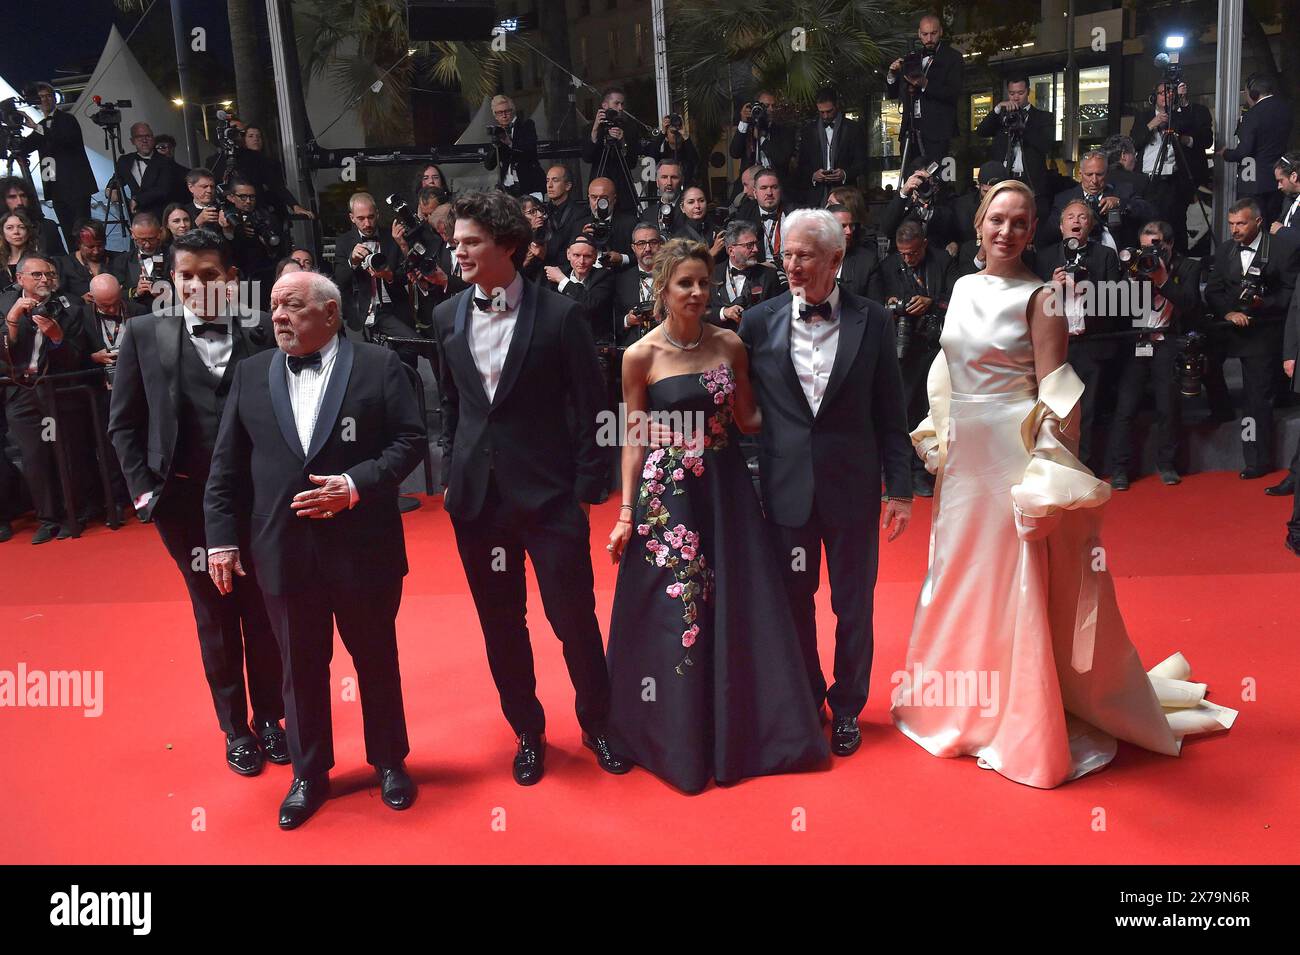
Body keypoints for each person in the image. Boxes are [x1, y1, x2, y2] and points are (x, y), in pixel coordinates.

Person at [894, 178, 1235, 788]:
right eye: (997, 219)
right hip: (965, 456)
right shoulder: (963, 286)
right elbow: (948, 363)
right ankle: (956, 702)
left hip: (1011, 453)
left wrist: (1046, 478)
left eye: (1019, 222)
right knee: (957, 571)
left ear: (1033, 231)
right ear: (978, 224)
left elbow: (1059, 397)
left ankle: (1019, 715)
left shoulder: (1042, 298)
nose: (1006, 231)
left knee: (1013, 575)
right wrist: (939, 431)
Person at [605, 238, 829, 793]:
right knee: (675, 614)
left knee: (738, 602)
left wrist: (809, 413)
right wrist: (626, 513)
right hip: (669, 502)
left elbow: (749, 418)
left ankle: (741, 730)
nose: (697, 293)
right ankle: (674, 737)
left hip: (726, 492)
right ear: (662, 288)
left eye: (704, 283)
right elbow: (633, 437)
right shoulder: (639, 355)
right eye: (685, 283)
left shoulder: (730, 344)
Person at [204, 270, 424, 829]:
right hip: (281, 549)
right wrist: (221, 539)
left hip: (363, 546)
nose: (278, 316)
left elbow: (410, 441)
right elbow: (226, 465)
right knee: (297, 668)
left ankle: (389, 761)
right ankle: (309, 772)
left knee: (375, 658)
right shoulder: (251, 373)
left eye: (293, 306)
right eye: (274, 305)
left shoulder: (378, 364)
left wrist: (354, 485)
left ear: (329, 312)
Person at [432, 190, 625, 786]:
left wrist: (587, 489)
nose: (458, 251)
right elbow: (450, 405)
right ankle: (527, 730)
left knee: (573, 618)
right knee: (501, 624)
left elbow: (594, 408)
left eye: (471, 242)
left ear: (508, 245)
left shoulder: (561, 315)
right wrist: (451, 471)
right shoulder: (446, 315)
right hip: (478, 502)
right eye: (456, 241)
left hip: (549, 499)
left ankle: (598, 722)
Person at [107, 227, 286, 777]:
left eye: (210, 275)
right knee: (214, 611)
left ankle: (271, 718)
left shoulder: (262, 329)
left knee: (264, 610)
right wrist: (146, 495)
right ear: (172, 279)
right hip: (182, 503)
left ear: (231, 279)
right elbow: (123, 424)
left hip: (256, 499)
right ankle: (236, 729)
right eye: (186, 276)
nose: (197, 286)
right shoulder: (145, 332)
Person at [739, 209, 915, 756]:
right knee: (794, 601)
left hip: (852, 489)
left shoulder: (873, 320)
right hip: (784, 487)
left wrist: (900, 489)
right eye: (787, 254)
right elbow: (740, 407)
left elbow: (891, 411)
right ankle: (807, 695)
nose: (792, 264)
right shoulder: (758, 321)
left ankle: (848, 707)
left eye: (805, 255)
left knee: (853, 605)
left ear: (836, 259)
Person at [1203, 197, 1300, 479]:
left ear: (1258, 222)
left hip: (1263, 332)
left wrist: (1262, 303)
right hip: (1228, 328)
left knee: (1257, 400)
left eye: (1241, 224)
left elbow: (1291, 294)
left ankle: (1257, 460)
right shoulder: (1225, 250)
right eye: (1231, 224)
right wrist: (1229, 312)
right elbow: (1213, 291)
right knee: (1203, 363)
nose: (1234, 229)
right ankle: (1220, 410)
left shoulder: (1282, 249)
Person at [1105, 221, 1201, 490]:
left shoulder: (1188, 267)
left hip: (1167, 341)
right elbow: (1115, 305)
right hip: (1136, 342)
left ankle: (1167, 464)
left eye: (1156, 246)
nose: (1150, 253)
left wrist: (1163, 281)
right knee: (1125, 408)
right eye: (1145, 247)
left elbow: (1191, 304)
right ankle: (1120, 469)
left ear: (1169, 244)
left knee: (1167, 407)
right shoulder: (1134, 266)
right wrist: (1132, 280)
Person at [1, 254, 86, 543]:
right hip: (20, 392)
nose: (44, 279)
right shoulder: (4, 304)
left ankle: (74, 514)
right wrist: (12, 321)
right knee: (33, 456)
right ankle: (48, 519)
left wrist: (57, 337)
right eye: (36, 275)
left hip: (56, 390)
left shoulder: (70, 306)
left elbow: (78, 358)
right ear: (20, 279)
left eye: (48, 274)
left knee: (65, 453)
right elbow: (4, 356)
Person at [869, 219, 956, 497]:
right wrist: (893, 306)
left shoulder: (942, 261)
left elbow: (956, 296)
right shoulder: (888, 266)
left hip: (935, 345)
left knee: (928, 410)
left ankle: (921, 472)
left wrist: (932, 302)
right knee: (901, 412)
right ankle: (898, 473)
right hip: (901, 347)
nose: (907, 259)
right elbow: (877, 303)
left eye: (913, 253)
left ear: (925, 245)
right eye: (903, 253)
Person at [1035, 200, 1123, 471]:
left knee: (1088, 408)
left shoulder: (1105, 256)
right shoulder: (1044, 257)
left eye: (1083, 217)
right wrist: (1051, 286)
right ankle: (1053, 465)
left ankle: (1082, 466)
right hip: (1055, 345)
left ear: (1091, 225)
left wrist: (1087, 289)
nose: (1076, 221)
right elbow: (1030, 301)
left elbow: (1116, 302)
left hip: (1090, 342)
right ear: (1061, 226)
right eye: (1070, 217)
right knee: (1053, 406)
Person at [1131, 81, 1214, 252]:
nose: (1167, 96)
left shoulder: (1180, 116)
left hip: (1173, 180)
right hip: (1148, 179)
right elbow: (1134, 142)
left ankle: (1178, 260)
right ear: (1154, 97)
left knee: (1175, 224)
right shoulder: (1144, 116)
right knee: (1149, 222)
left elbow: (1201, 136)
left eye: (1170, 92)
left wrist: (1182, 105)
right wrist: (1152, 124)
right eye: (1162, 92)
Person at [18, 83, 98, 248]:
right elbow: (24, 147)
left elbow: (65, 140)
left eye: (48, 96)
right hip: (56, 188)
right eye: (41, 97)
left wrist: (36, 127)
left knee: (82, 231)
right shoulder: (42, 125)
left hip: (76, 187)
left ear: (54, 98)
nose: (45, 100)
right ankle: (74, 262)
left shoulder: (67, 119)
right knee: (68, 232)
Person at [885, 15, 964, 176]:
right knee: (910, 178)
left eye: (933, 33)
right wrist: (892, 74)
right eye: (925, 34)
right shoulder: (912, 58)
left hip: (938, 132)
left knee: (937, 179)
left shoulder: (953, 58)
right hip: (911, 130)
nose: (929, 39)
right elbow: (894, 94)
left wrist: (925, 84)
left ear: (940, 32)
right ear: (919, 34)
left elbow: (953, 93)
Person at [332, 191, 414, 342]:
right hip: (360, 311)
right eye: (361, 218)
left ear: (377, 214)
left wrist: (389, 276)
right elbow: (340, 282)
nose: (367, 224)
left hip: (393, 307)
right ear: (352, 218)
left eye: (371, 217)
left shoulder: (392, 236)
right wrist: (353, 262)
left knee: (412, 344)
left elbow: (407, 275)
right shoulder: (344, 242)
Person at [1044, 151, 1156, 251]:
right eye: (1089, 175)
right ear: (1080, 173)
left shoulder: (1123, 191)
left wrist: (1120, 203)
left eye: (1099, 174)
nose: (1094, 180)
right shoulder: (1064, 199)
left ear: (1107, 173)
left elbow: (1150, 212)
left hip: (1119, 257)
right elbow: (1049, 234)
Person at [1220, 74, 1292, 225]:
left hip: (1252, 181)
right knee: (1273, 224)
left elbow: (1244, 151)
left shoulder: (1252, 114)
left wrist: (1226, 154)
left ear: (1253, 93)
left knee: (1252, 226)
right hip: (1277, 179)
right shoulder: (1285, 110)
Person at [975, 75, 1052, 209]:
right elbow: (982, 131)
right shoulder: (1001, 117)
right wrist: (998, 108)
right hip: (1003, 178)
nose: (1016, 97)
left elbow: (1046, 145)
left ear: (1028, 92)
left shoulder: (1043, 117)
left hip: (1030, 180)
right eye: (1012, 93)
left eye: (1020, 93)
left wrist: (1023, 128)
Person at [796, 87, 868, 208]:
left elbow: (862, 162)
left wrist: (844, 174)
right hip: (816, 196)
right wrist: (814, 176)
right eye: (821, 112)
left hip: (845, 194)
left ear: (837, 106)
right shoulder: (808, 130)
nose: (825, 116)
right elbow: (802, 165)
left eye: (829, 111)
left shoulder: (853, 129)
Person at [581, 86, 643, 215]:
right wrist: (595, 130)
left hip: (623, 190)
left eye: (622, 104)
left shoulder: (630, 128)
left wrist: (623, 141)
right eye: (616, 103)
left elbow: (632, 163)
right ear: (604, 105)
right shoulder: (591, 128)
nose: (620, 108)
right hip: (600, 186)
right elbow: (587, 157)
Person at [707, 219, 781, 328]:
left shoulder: (769, 276)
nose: (756, 249)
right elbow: (703, 312)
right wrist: (723, 313)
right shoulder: (712, 274)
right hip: (719, 336)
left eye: (756, 243)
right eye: (749, 245)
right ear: (731, 251)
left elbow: (777, 314)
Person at [544, 234, 615, 345]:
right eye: (576, 255)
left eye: (587, 256)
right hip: (559, 340)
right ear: (568, 254)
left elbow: (590, 304)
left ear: (595, 257)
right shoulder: (557, 273)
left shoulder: (605, 276)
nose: (581, 261)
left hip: (592, 342)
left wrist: (562, 280)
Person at [112, 122, 185, 222]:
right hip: (136, 217)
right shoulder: (125, 161)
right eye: (139, 137)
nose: (144, 140)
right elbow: (116, 179)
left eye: (148, 136)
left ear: (153, 139)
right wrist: (110, 189)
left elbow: (163, 189)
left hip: (161, 216)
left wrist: (137, 200)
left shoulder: (165, 161)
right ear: (132, 141)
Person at [483, 95, 545, 197]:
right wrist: (495, 145)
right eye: (500, 113)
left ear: (513, 111)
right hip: (507, 187)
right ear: (495, 116)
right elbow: (489, 165)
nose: (504, 115)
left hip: (528, 184)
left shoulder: (526, 125)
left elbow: (529, 152)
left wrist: (509, 143)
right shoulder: (498, 132)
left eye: (506, 111)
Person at [729, 91, 795, 187]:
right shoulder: (748, 128)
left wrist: (761, 139)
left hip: (775, 185)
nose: (771, 109)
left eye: (773, 106)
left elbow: (782, 159)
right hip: (748, 187)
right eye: (766, 106)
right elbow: (734, 153)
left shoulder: (785, 130)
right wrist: (743, 122)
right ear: (756, 107)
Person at [612, 222, 663, 344]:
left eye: (653, 242)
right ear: (633, 248)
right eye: (641, 243)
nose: (648, 249)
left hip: (668, 345)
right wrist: (627, 321)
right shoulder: (620, 280)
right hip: (633, 347)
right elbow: (611, 323)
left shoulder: (673, 276)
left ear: (661, 245)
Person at [110, 212, 168, 309]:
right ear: (132, 233)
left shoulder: (172, 256)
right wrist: (135, 292)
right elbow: (115, 295)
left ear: (160, 232)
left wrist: (165, 293)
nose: (147, 245)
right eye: (141, 240)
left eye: (151, 239)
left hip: (169, 312)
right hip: (137, 314)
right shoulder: (121, 262)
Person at [0, 176, 66, 255]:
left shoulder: (47, 226)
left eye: (23, 196)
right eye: (12, 197)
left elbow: (61, 258)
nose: (20, 202)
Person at [828, 204, 878, 297]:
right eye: (842, 226)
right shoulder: (810, 259)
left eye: (851, 226)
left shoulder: (866, 261)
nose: (849, 231)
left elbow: (874, 303)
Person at [56, 219, 111, 302]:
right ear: (79, 244)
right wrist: (79, 300)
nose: (96, 251)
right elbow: (59, 295)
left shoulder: (119, 259)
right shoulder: (64, 265)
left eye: (100, 245)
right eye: (90, 247)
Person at [670, 185, 726, 261]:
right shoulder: (678, 239)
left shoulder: (718, 231)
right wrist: (712, 253)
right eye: (691, 202)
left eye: (701, 201)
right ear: (682, 208)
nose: (697, 206)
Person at [1, 211, 42, 288]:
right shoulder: (2, 262)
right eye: (9, 228)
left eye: (21, 227)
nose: (16, 232)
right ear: (2, 232)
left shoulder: (40, 260)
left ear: (28, 231)